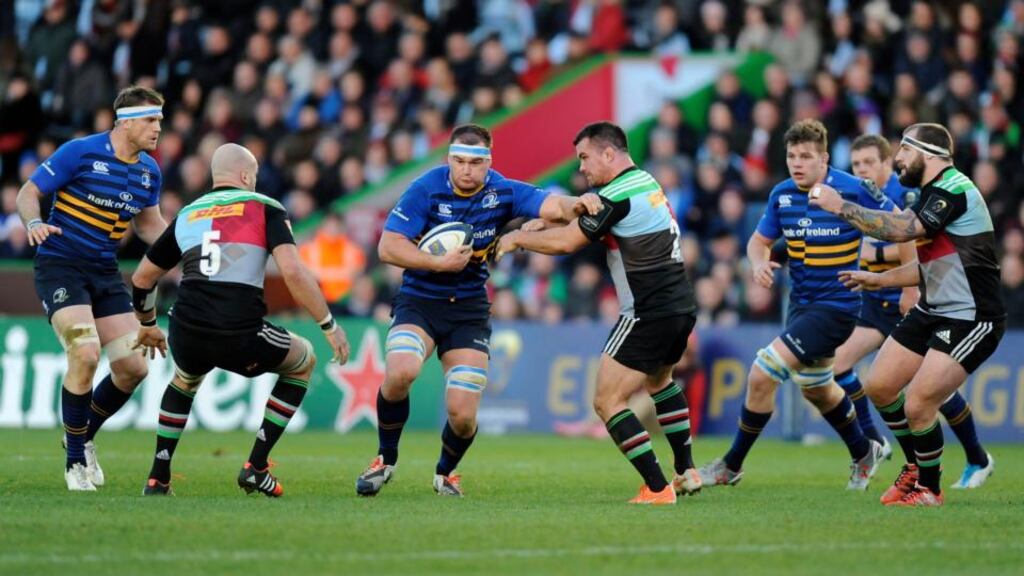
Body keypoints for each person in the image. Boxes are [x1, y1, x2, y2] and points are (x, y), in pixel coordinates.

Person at [356, 124, 600, 497]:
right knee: (401, 371)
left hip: (468, 309)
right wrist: (437, 263)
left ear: (489, 162)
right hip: (420, 300)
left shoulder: (502, 191)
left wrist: (579, 202)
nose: (466, 170)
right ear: (449, 159)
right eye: (459, 161)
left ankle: (445, 473)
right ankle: (385, 459)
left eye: (475, 162)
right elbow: (388, 247)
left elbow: (553, 205)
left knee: (464, 415)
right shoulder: (425, 188)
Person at [496, 121, 701, 505]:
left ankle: (658, 488)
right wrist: (552, 219)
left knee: (606, 401)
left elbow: (568, 244)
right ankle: (686, 470)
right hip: (680, 306)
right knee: (660, 382)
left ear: (610, 154)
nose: (582, 168)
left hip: (646, 311)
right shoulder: (645, 182)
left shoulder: (617, 193)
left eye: (585, 158)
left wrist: (519, 237)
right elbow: (604, 221)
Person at [130, 143, 350, 497]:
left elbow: (142, 278)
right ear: (247, 176)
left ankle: (158, 478)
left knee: (184, 380)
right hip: (237, 331)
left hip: (185, 328)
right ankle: (257, 466)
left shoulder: (187, 214)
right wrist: (329, 324)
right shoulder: (265, 207)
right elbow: (293, 272)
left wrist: (146, 324)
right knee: (303, 359)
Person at [812, 123, 1004, 506]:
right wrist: (878, 280)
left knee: (918, 402)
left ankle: (929, 489)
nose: (897, 158)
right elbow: (934, 268)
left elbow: (903, 231)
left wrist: (841, 206)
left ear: (928, 154)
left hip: (970, 316)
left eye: (903, 150)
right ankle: (916, 468)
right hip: (933, 307)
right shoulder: (932, 194)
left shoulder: (954, 187)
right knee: (880, 385)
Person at [697, 119, 888, 491]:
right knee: (816, 386)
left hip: (838, 307)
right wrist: (757, 263)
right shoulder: (781, 194)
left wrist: (905, 278)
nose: (797, 163)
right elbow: (758, 242)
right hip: (800, 305)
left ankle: (731, 465)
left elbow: (900, 224)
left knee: (762, 372)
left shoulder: (852, 189)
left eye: (805, 156)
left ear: (825, 159)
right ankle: (864, 451)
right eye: (791, 156)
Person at [15, 86, 168, 491]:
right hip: (61, 266)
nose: (158, 128)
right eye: (152, 120)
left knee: (134, 368)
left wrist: (186, 248)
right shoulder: (79, 152)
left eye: (160, 121)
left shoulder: (149, 171)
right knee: (84, 352)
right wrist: (33, 223)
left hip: (104, 272)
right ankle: (73, 464)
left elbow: (149, 225)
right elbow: (29, 193)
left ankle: (80, 436)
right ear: (127, 121)